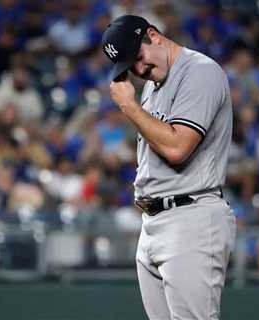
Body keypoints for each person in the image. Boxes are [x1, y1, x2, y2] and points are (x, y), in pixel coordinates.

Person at [102, 15, 236, 320]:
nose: (139, 70)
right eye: (130, 67)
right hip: (155, 221)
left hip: (191, 217)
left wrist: (129, 106)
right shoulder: (154, 83)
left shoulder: (200, 72)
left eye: (138, 57)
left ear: (155, 35)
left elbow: (178, 148)